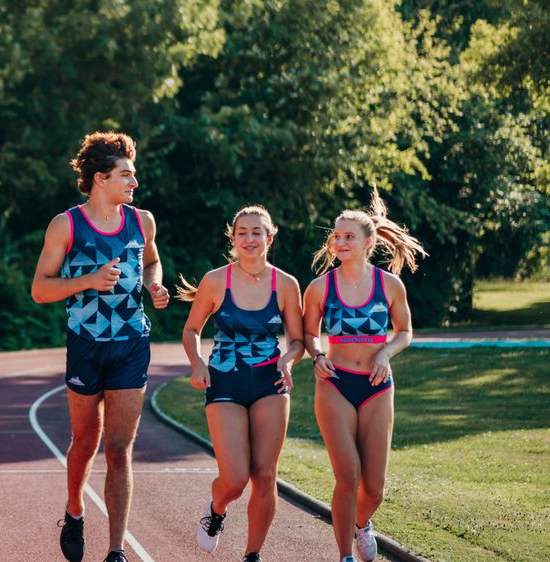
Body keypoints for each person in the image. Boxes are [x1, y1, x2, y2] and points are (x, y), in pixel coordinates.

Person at [30, 130, 170, 562]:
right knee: (86, 441)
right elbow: (40, 290)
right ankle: (74, 510)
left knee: (119, 447)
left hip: (131, 343)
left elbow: (150, 260)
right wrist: (88, 281)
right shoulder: (66, 224)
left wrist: (154, 284)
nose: (134, 183)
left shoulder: (141, 220)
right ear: (99, 178)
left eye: (134, 175)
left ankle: (115, 551)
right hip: (86, 344)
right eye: (126, 175)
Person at [302, 189, 425, 562]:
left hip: (376, 387)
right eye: (336, 236)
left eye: (348, 236)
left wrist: (386, 353)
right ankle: (344, 556)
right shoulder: (320, 287)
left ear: (368, 242)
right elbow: (308, 334)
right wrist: (317, 354)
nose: (340, 242)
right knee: (348, 475)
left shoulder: (389, 284)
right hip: (335, 384)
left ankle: (361, 524)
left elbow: (404, 331)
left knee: (373, 489)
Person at [177, 206, 305, 562]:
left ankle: (252, 554)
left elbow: (298, 340)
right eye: (243, 232)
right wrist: (197, 363)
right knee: (234, 479)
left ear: (270, 237)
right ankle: (216, 509)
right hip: (225, 381)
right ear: (233, 238)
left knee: (265, 474)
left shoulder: (286, 284)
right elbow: (191, 329)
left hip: (270, 381)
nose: (250, 239)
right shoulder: (216, 280)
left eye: (257, 232)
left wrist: (289, 358)